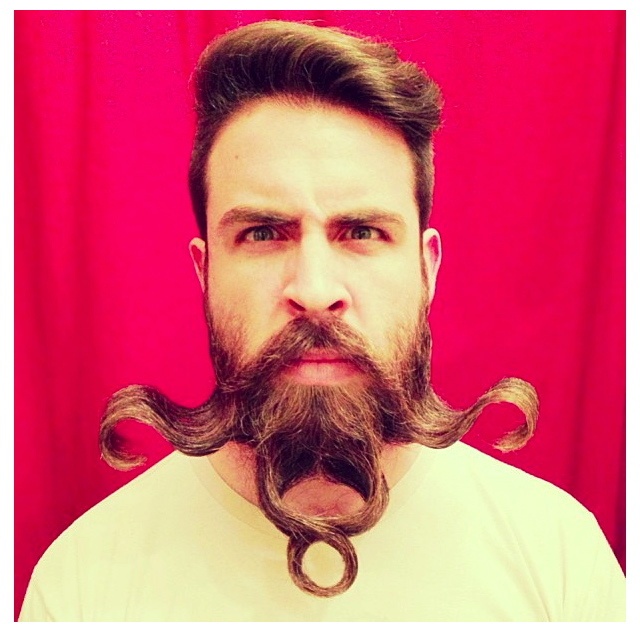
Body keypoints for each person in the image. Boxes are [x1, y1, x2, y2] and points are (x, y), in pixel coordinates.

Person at [19, 20, 625, 621]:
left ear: (427, 269)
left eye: (362, 231)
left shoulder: (559, 559)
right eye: (263, 233)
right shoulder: (82, 584)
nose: (313, 291)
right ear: (205, 273)